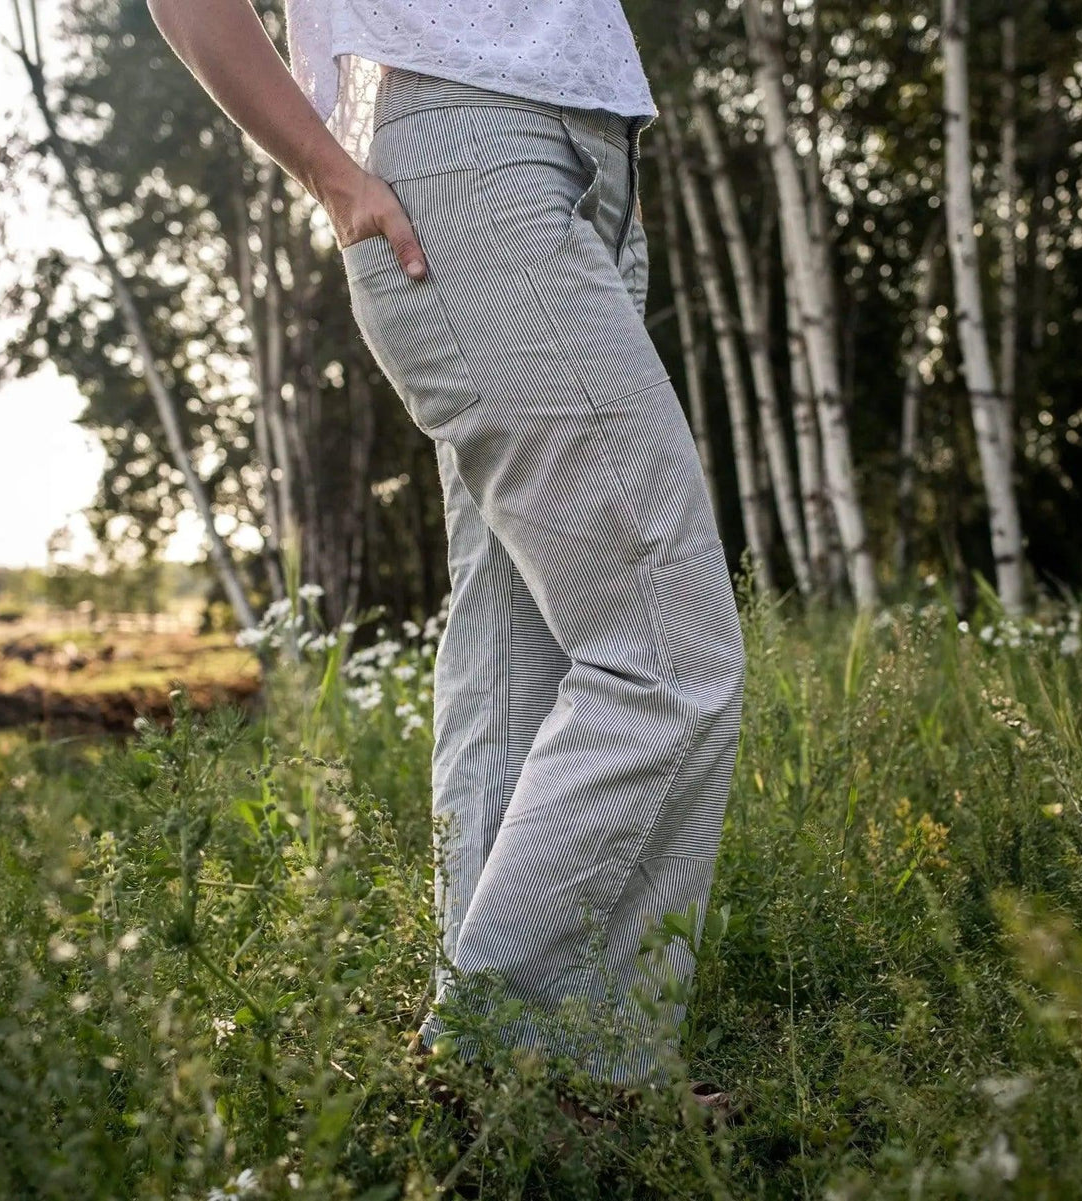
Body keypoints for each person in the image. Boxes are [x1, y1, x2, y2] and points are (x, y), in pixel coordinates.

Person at [147, 0, 746, 1122]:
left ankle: (512, 1088)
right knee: (666, 650)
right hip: (465, 161)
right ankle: (524, 1060)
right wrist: (327, 172)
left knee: (519, 646)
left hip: (585, 163)